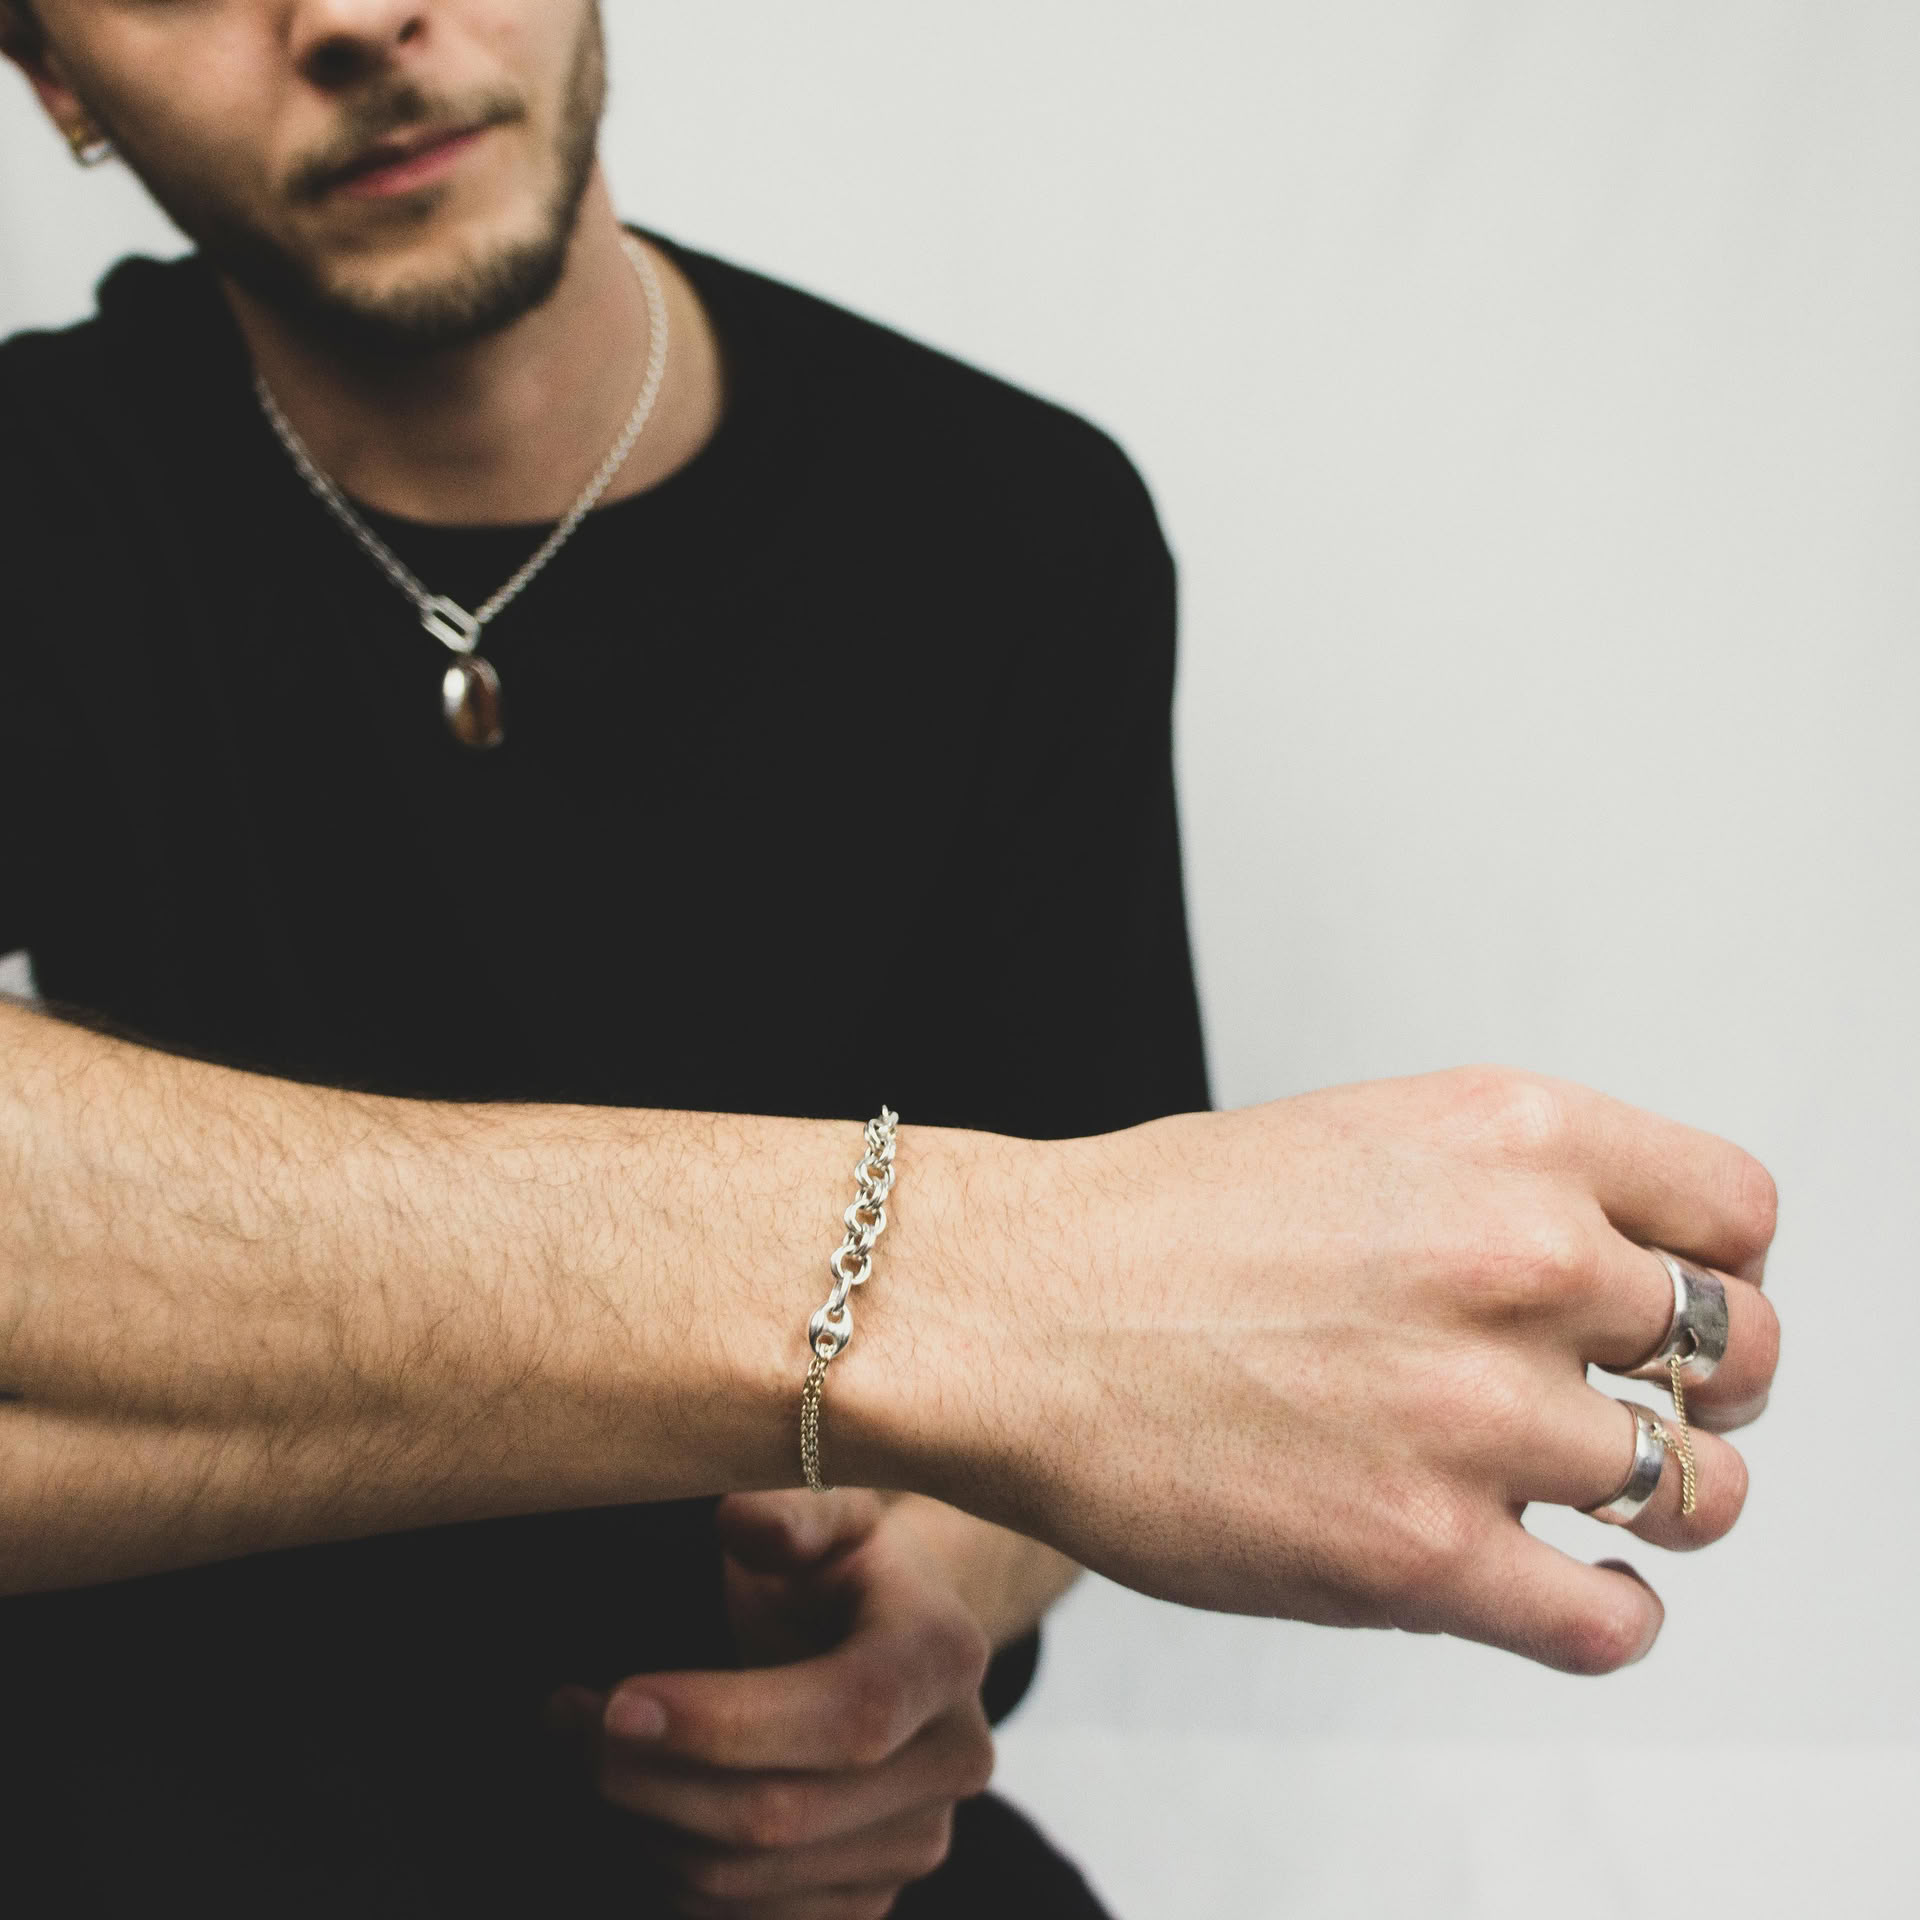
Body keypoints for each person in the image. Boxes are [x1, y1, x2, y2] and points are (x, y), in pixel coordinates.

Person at [0, 4, 1782, 1916]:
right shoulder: (42, 493)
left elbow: (1098, 1332)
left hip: (748, 1842)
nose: (351, 15)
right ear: (60, 84)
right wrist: (959, 1290)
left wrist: (925, 1599)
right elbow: (1074, 1300)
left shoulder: (1018, 529)